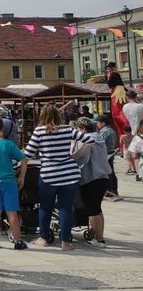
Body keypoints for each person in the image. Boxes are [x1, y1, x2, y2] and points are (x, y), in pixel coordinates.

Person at [24, 104, 95, 251]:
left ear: (42, 116)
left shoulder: (39, 131)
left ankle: (43, 238)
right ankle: (66, 242)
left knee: (45, 207)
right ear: (58, 115)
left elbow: (28, 154)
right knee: (66, 208)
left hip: (49, 174)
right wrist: (76, 155)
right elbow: (90, 140)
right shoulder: (67, 129)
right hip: (69, 173)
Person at [0, 116, 28, 251]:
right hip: (9, 181)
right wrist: (21, 176)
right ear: (2, 129)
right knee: (12, 211)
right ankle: (17, 240)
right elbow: (24, 159)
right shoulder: (9, 144)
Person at [74, 117, 112, 246]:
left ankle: (99, 239)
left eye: (78, 130)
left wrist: (72, 161)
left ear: (83, 129)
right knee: (97, 208)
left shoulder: (87, 140)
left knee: (92, 210)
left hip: (91, 178)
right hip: (103, 176)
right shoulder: (99, 138)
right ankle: (99, 234)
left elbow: (83, 159)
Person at [96, 116, 121, 200]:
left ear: (103, 123)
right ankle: (113, 189)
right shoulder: (111, 130)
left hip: (106, 154)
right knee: (111, 172)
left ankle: (110, 190)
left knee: (108, 173)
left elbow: (99, 142)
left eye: (98, 123)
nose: (97, 124)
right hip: (110, 153)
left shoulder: (104, 131)